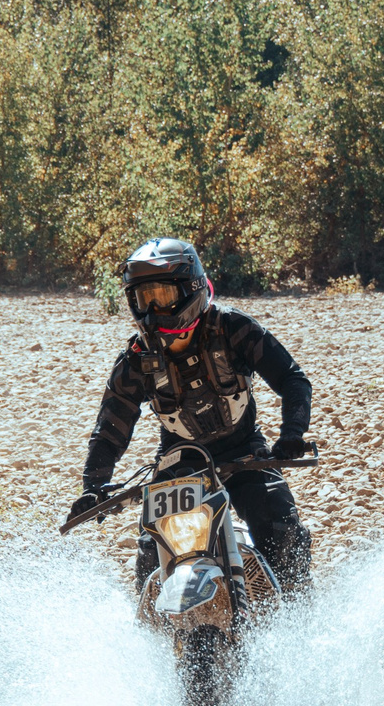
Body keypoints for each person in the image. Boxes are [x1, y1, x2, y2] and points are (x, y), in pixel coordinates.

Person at [78, 238, 315, 594]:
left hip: (247, 452)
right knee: (149, 558)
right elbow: (110, 430)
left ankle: (296, 622)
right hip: (179, 462)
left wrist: (291, 435)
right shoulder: (134, 360)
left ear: (191, 290)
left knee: (282, 531)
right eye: (145, 299)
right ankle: (157, 642)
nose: (154, 310)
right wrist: (93, 486)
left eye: (163, 296)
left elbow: (292, 379)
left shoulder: (234, 328)